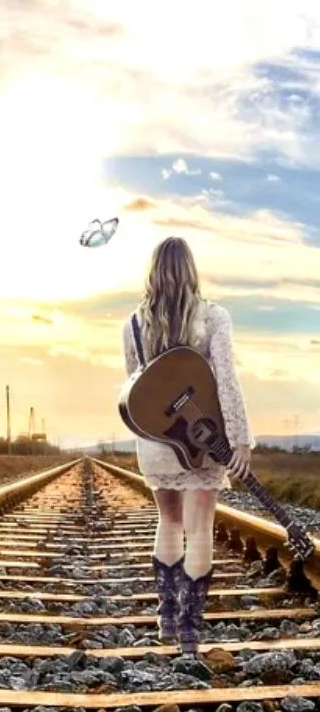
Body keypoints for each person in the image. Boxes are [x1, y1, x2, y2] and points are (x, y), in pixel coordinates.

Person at [122, 236, 255, 654]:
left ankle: (165, 617)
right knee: (200, 529)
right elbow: (226, 381)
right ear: (191, 271)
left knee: (170, 521)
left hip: (158, 440)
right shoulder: (213, 317)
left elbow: (136, 388)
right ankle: (190, 632)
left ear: (154, 272)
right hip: (203, 437)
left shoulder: (133, 324)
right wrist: (240, 440)